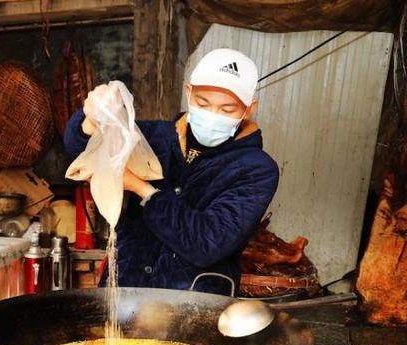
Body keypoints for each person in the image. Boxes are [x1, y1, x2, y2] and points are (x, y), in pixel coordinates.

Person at [64, 48, 279, 296]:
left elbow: (207, 243)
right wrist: (91, 120)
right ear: (189, 93)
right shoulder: (155, 138)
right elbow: (83, 149)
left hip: (192, 305)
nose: (213, 115)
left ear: (248, 109)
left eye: (227, 110)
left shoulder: (257, 170)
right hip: (123, 293)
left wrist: (143, 189)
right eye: (203, 103)